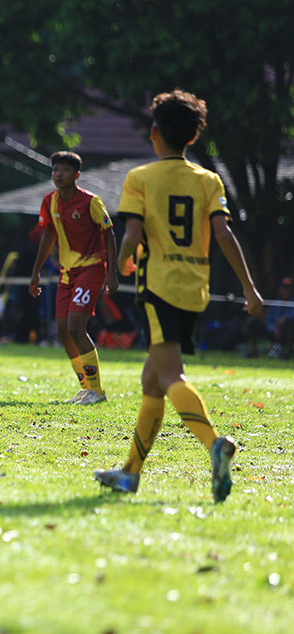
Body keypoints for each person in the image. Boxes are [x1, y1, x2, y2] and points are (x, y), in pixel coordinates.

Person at [94, 89, 263, 503]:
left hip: (158, 287)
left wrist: (120, 266)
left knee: (170, 376)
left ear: (154, 133)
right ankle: (130, 473)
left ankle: (215, 445)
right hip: (194, 288)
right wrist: (249, 286)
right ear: (192, 138)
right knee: (152, 380)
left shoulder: (141, 179)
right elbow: (223, 234)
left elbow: (132, 234)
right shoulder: (208, 180)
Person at [29, 152, 118, 405]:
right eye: (55, 169)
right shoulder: (50, 201)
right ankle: (86, 387)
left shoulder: (90, 202)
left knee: (75, 327)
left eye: (64, 170)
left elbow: (109, 234)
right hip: (67, 272)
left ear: (76, 175)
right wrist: (35, 272)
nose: (58, 174)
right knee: (62, 331)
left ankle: (97, 391)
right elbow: (47, 235)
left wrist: (111, 272)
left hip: (91, 269)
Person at [245, 277, 294, 359]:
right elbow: (268, 319)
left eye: (288, 289)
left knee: (291, 324)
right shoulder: (275, 303)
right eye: (284, 288)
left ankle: (287, 353)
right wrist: (274, 329)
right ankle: (253, 351)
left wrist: (285, 319)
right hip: (273, 331)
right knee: (252, 322)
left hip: (287, 332)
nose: (286, 291)